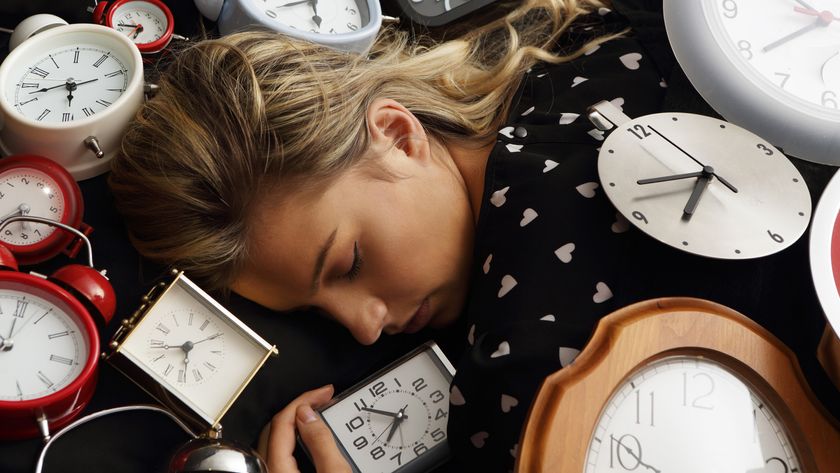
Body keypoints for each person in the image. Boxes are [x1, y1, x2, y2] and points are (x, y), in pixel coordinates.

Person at [109, 0, 802, 471]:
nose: (364, 328)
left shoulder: (519, 374)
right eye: (317, 314)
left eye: (348, 262)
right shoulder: (582, 42)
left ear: (397, 135)